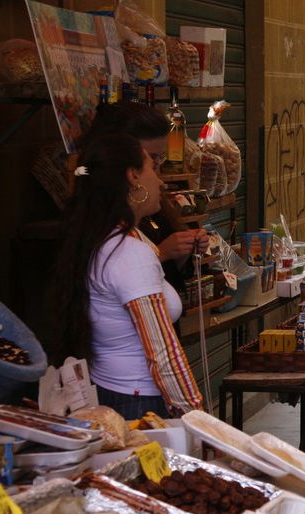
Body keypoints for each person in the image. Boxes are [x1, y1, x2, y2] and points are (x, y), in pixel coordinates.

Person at [53, 133, 204, 419]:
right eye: (153, 169)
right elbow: (162, 353)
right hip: (138, 402)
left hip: (114, 390)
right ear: (133, 176)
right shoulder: (129, 252)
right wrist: (197, 418)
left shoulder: (105, 236)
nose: (160, 181)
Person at [82, 101, 210, 291]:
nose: (159, 177)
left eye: (160, 158)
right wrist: (160, 254)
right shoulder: (101, 227)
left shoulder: (151, 207)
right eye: (152, 159)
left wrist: (183, 250)